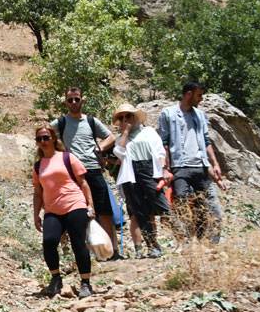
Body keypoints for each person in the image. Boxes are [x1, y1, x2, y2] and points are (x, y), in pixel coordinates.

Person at [50, 87, 121, 259]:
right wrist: (60, 152)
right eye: (70, 100)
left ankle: (111, 252)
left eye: (76, 99)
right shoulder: (60, 122)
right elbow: (45, 134)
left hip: (94, 169)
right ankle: (83, 253)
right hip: (72, 173)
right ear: (65, 102)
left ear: (82, 100)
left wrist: (100, 148)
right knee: (76, 212)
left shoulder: (91, 121)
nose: (74, 102)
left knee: (104, 211)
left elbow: (111, 137)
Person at [32, 125, 97, 298]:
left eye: (46, 137)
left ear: (53, 138)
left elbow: (83, 183)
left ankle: (85, 283)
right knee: (49, 241)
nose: (43, 141)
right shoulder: (38, 166)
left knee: (78, 243)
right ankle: (55, 278)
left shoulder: (67, 157)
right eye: (39, 139)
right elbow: (38, 192)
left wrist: (90, 205)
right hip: (52, 210)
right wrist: (36, 214)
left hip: (74, 204)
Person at [157, 81, 225, 242]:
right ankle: (187, 244)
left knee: (210, 206)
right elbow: (163, 143)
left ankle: (210, 244)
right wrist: (165, 168)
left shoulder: (200, 115)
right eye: (199, 95)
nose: (201, 99)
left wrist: (215, 164)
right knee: (183, 206)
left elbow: (206, 141)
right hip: (180, 168)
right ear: (189, 94)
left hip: (201, 167)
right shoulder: (168, 114)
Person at [112, 103, 172, 258]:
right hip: (131, 176)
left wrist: (163, 170)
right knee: (140, 213)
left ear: (135, 116)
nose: (126, 119)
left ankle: (184, 239)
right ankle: (153, 246)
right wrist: (125, 132)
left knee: (163, 206)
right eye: (122, 117)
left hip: (149, 171)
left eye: (128, 116)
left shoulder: (148, 132)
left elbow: (159, 151)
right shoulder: (121, 139)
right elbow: (118, 152)